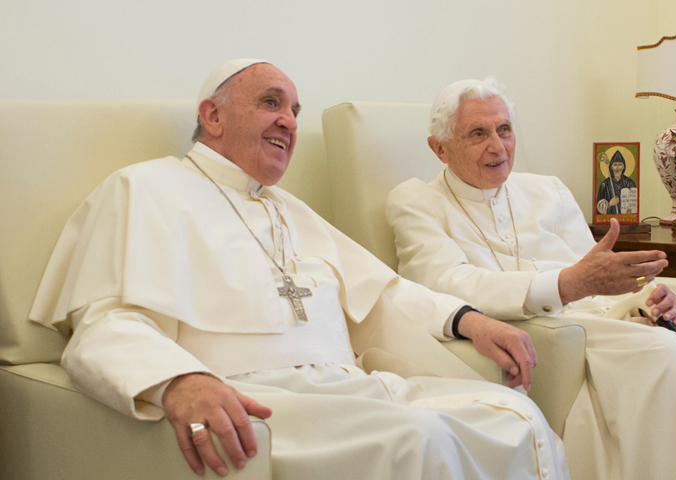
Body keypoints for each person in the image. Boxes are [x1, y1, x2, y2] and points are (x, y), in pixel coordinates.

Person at [29, 60, 571, 480]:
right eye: (271, 103)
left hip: (350, 390)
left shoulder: (290, 208)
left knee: (512, 415)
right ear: (212, 116)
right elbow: (103, 322)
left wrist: (466, 319)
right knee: (418, 434)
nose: (288, 120)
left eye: (294, 109)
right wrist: (177, 380)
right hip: (260, 399)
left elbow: (382, 293)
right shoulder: (142, 188)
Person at [386, 77, 676, 480]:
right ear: (439, 148)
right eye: (478, 134)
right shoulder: (416, 202)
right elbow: (446, 283)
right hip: (550, 327)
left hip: (605, 313)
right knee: (666, 355)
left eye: (504, 130)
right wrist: (566, 284)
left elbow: (595, 269)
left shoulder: (547, 190)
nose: (497, 147)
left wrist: (649, 296)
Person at [596, 150, 636, 215]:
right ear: (611, 167)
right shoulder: (605, 184)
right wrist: (609, 204)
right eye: (615, 165)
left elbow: (633, 203)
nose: (617, 168)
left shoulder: (630, 183)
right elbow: (599, 207)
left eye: (620, 165)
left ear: (623, 166)